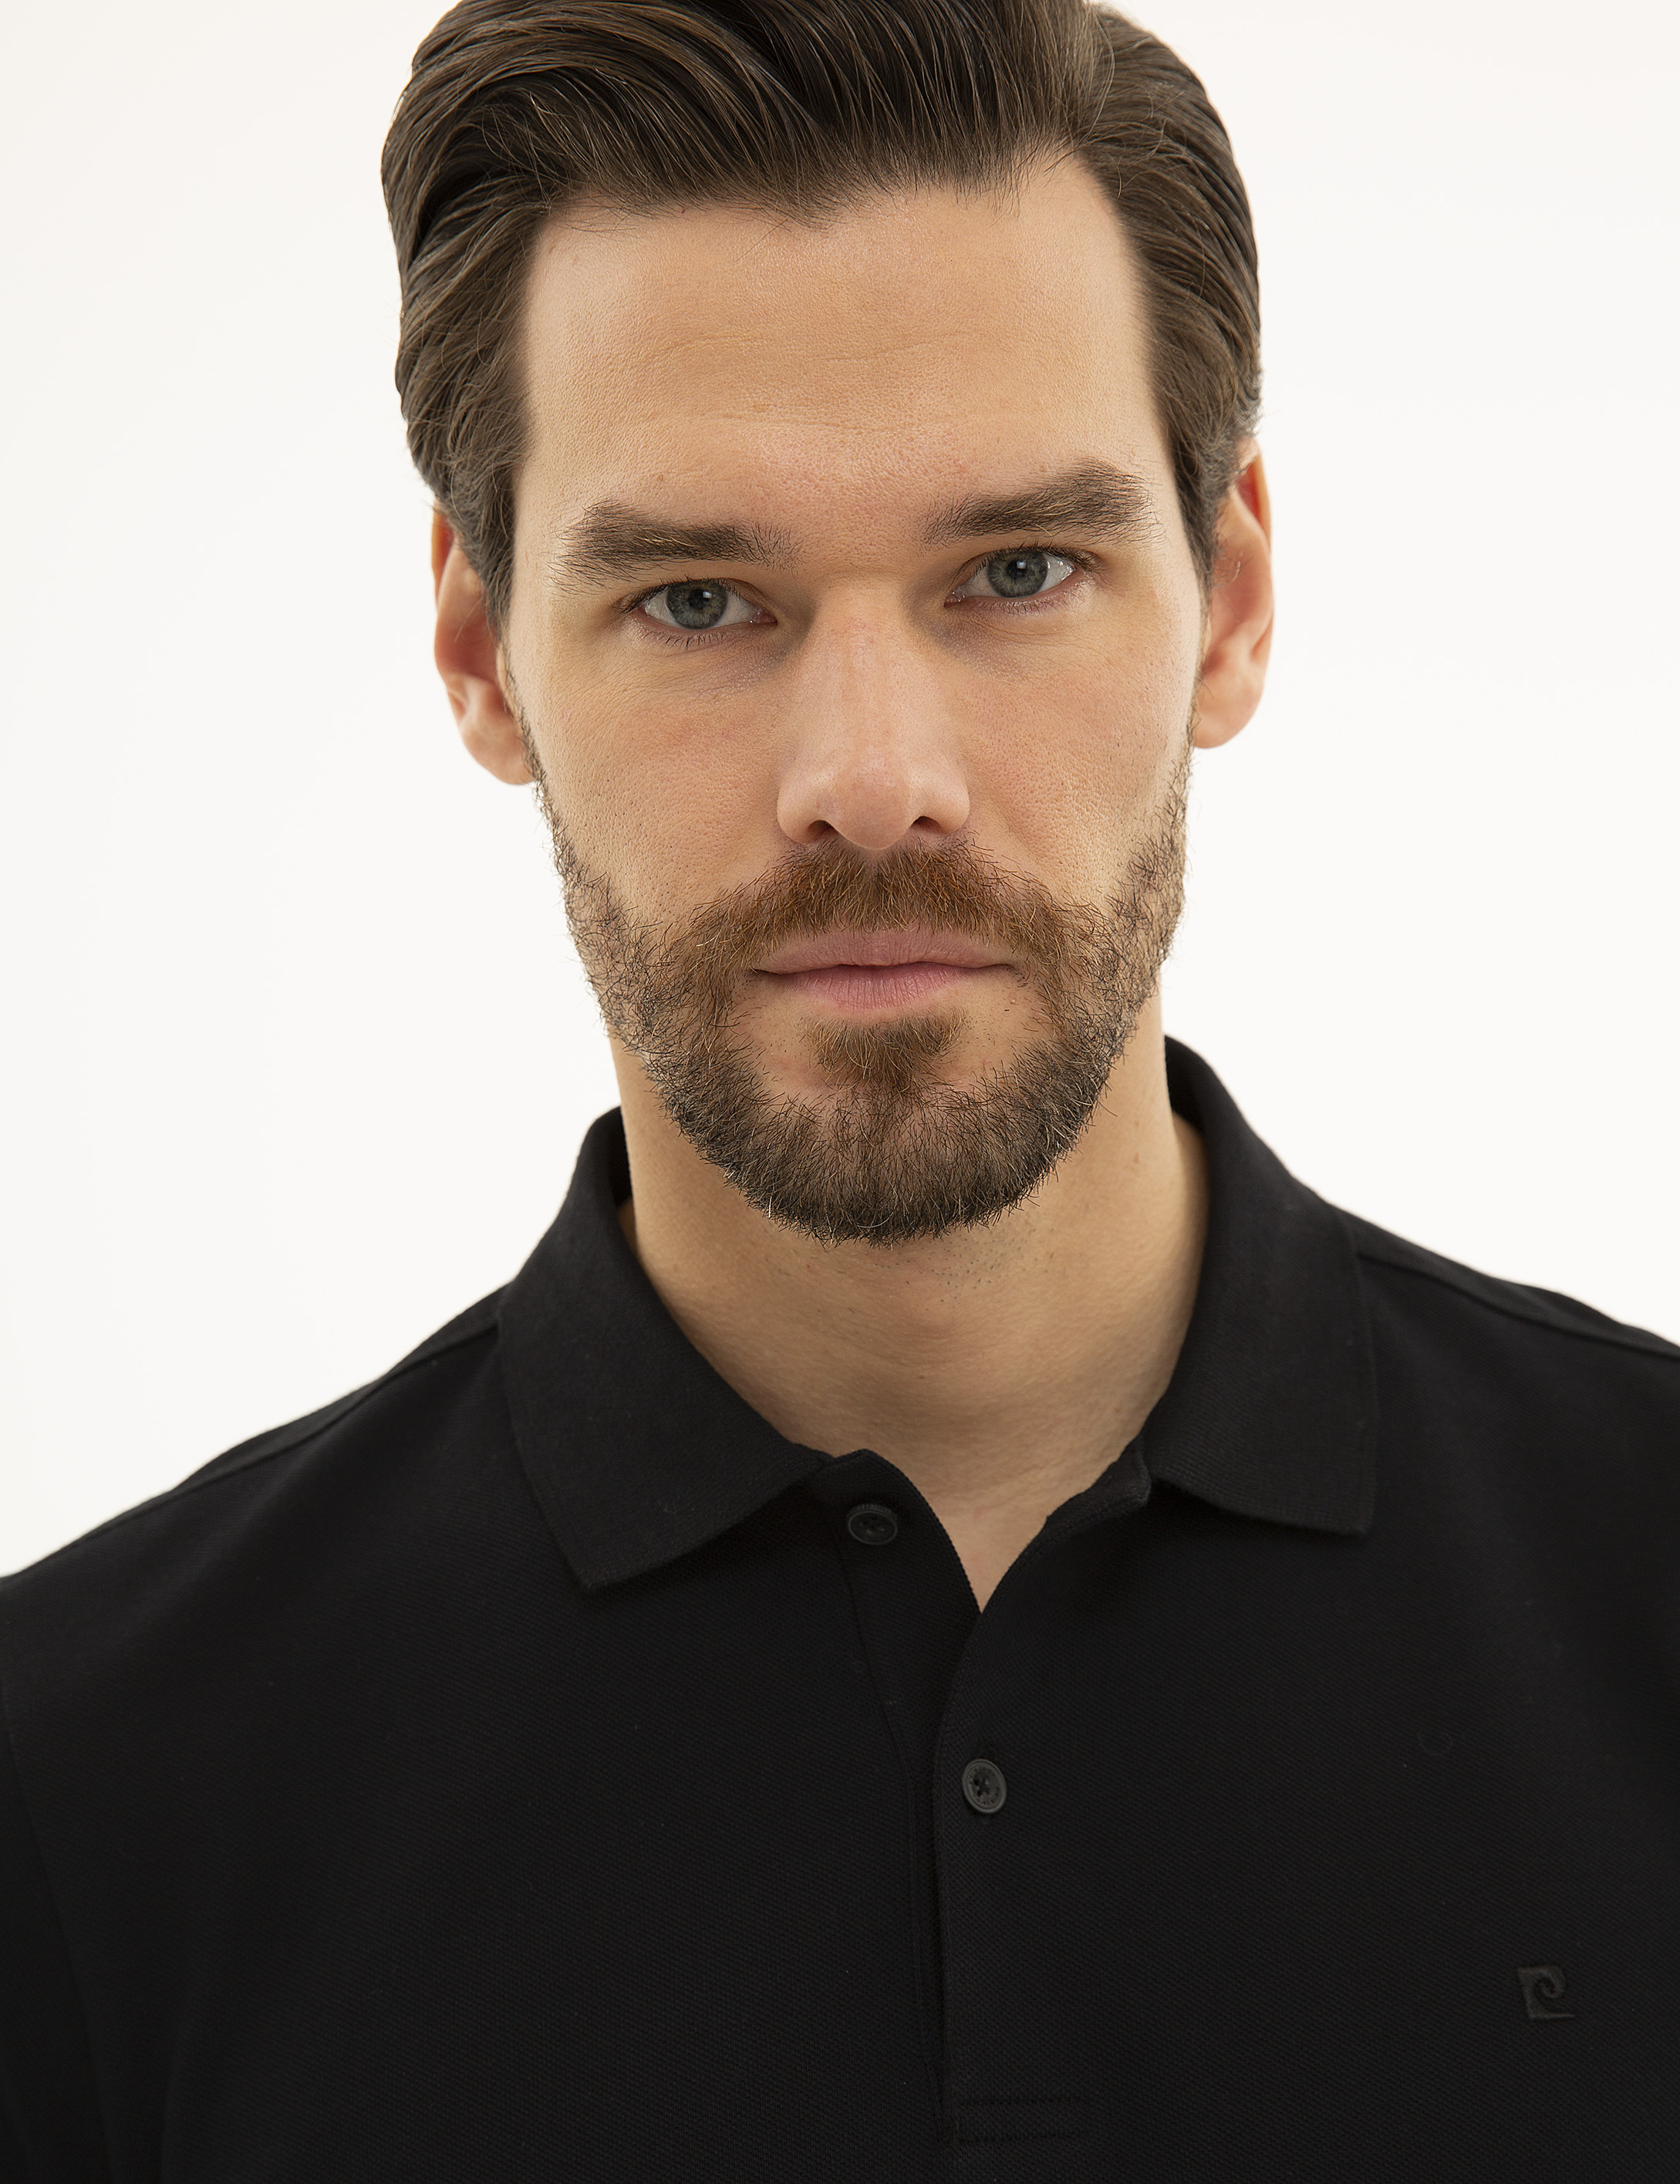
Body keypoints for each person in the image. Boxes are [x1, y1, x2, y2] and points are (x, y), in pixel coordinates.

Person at [3, 0, 1676, 2175]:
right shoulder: (78, 1786)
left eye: (1017, 574)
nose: (872, 784)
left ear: (1229, 603)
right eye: (700, 598)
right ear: (482, 650)